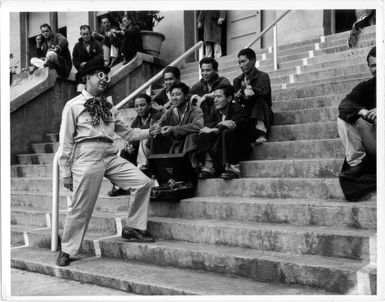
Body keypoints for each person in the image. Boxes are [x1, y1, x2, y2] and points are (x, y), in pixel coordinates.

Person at [56, 61, 157, 266]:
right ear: (88, 78)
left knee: (143, 182)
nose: (103, 80)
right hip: (87, 157)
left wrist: (150, 131)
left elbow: (127, 133)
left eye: (105, 76)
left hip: (110, 155)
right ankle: (67, 249)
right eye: (99, 75)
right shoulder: (73, 105)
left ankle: (134, 227)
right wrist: (65, 171)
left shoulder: (109, 107)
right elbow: (65, 141)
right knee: (81, 206)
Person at [337, 46, 376, 200]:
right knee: (345, 115)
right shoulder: (366, 87)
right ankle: (357, 163)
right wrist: (364, 112)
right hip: (376, 138)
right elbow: (344, 105)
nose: (377, 69)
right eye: (373, 65)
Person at [108, 93, 162, 196]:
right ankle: (118, 185)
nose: (139, 108)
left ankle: (142, 170)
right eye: (136, 106)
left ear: (149, 105)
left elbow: (152, 130)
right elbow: (132, 135)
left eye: (142, 105)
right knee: (124, 152)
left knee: (144, 139)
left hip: (157, 148)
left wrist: (138, 135)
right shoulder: (136, 121)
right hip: (141, 152)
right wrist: (130, 147)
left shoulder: (157, 115)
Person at [198, 84, 255, 180]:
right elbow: (208, 126)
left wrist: (217, 127)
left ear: (229, 98)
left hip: (239, 147)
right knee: (204, 133)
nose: (215, 100)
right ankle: (209, 167)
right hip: (221, 146)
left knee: (228, 132)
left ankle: (233, 169)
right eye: (215, 97)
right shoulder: (215, 110)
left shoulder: (237, 109)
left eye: (219, 97)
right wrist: (220, 124)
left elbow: (233, 126)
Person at [149, 82, 204, 168]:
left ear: (186, 96)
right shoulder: (169, 112)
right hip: (174, 143)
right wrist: (158, 128)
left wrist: (173, 129)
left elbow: (199, 125)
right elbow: (160, 123)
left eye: (178, 94)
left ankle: (192, 166)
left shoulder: (195, 110)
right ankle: (157, 167)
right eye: (172, 95)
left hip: (188, 143)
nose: (174, 98)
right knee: (156, 137)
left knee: (192, 134)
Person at [233, 48, 273, 144]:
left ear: (253, 60)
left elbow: (264, 92)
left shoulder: (263, 76)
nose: (241, 65)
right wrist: (240, 94)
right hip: (247, 112)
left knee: (259, 100)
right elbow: (237, 100)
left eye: (243, 61)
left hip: (263, 112)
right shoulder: (237, 80)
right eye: (239, 63)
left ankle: (261, 132)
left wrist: (250, 89)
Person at [190, 57, 231, 122]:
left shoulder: (223, 81)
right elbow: (188, 94)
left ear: (216, 70)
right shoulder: (200, 83)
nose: (204, 73)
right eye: (202, 70)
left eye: (208, 70)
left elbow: (228, 92)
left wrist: (206, 96)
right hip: (204, 120)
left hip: (222, 119)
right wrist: (196, 97)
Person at [72, 25, 104, 92]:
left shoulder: (97, 44)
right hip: (82, 73)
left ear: (90, 33)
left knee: (95, 92)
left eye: (87, 34)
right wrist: (80, 65)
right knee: (81, 93)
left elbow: (100, 57)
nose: (86, 36)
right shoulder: (77, 46)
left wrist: (87, 63)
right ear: (81, 34)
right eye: (84, 34)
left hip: (95, 71)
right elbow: (75, 60)